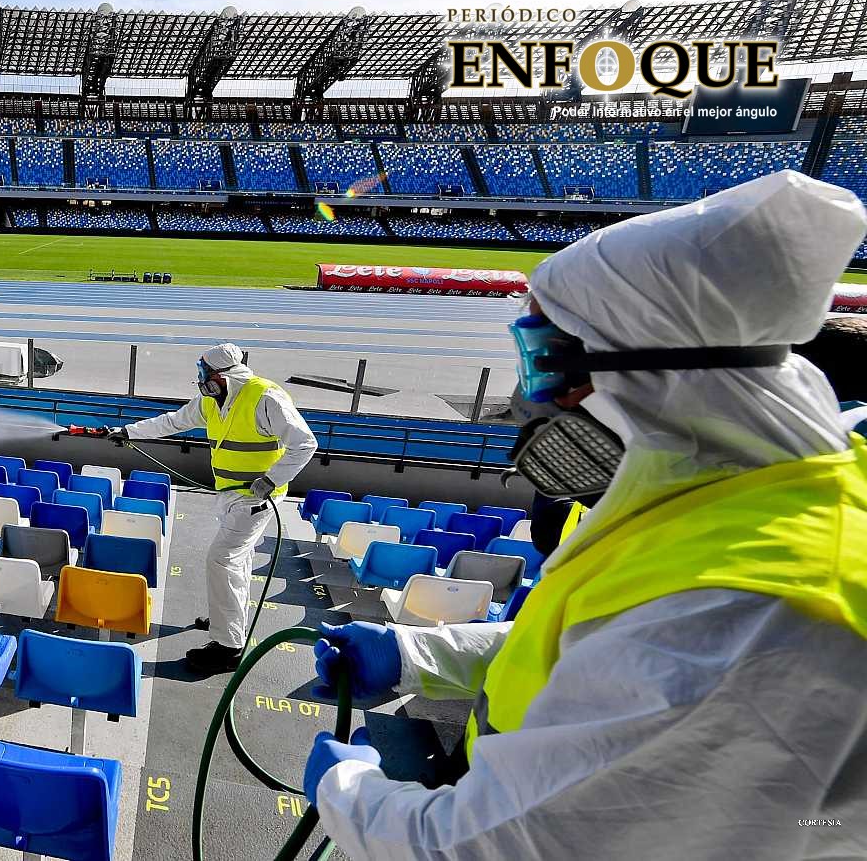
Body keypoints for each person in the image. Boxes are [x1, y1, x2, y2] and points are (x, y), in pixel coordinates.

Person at [301, 171, 867, 859]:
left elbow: (491, 849)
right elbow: (606, 653)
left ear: (647, 371)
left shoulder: (754, 614)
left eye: (543, 362)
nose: (530, 401)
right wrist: (417, 654)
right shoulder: (731, 501)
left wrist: (348, 790)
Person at [102, 342, 315, 675]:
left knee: (222, 559)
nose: (201, 379)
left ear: (224, 375)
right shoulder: (211, 402)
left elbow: (305, 443)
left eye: (205, 373)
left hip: (257, 500)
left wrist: (271, 480)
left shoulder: (266, 399)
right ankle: (227, 619)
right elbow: (173, 422)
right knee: (237, 560)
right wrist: (129, 431)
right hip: (230, 496)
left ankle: (229, 647)